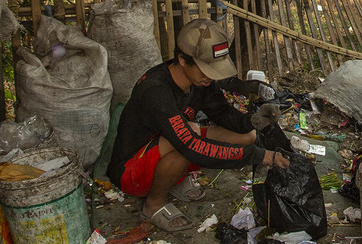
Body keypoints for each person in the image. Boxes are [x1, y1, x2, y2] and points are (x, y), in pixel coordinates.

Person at [108, 18, 290, 231]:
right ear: (183, 60)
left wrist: (252, 120)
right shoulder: (156, 92)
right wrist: (259, 155)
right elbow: (191, 146)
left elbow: (221, 112)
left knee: (246, 136)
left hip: (168, 147)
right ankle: (153, 203)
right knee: (188, 139)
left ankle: (174, 178)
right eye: (205, 69)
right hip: (131, 171)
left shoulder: (199, 82)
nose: (210, 77)